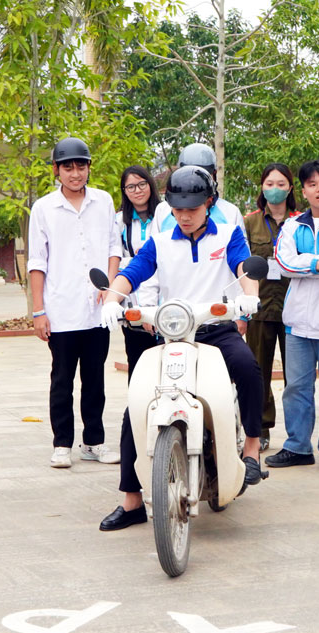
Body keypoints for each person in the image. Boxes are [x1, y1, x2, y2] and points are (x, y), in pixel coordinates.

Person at [96, 166, 266, 531]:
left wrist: (250, 298)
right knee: (136, 409)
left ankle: (251, 447)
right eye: (178, 208)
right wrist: (113, 299)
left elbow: (244, 268)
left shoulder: (229, 234)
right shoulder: (158, 240)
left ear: (209, 202)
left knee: (248, 367)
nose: (185, 215)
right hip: (172, 334)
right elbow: (134, 271)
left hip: (216, 330)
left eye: (193, 207)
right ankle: (132, 501)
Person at [27, 137, 122, 468]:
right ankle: (62, 443)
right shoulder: (44, 209)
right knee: (62, 379)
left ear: (88, 168)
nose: (75, 173)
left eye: (80, 166)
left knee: (95, 380)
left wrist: (109, 287)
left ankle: (94, 442)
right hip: (62, 308)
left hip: (97, 312)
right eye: (68, 166)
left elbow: (114, 248)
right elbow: (37, 263)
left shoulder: (104, 201)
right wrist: (38, 312)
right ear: (56, 170)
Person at [265, 159, 319, 473]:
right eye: (313, 184)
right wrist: (318, 265)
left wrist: (308, 264)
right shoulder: (291, 226)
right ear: (303, 191)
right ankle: (297, 446)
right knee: (296, 388)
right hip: (298, 323)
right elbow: (285, 264)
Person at [243, 163, 298, 451]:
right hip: (260, 310)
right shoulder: (249, 222)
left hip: (295, 311)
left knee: (296, 377)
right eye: (269, 184)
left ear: (290, 188)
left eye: (280, 184)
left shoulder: (302, 221)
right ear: (261, 187)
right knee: (258, 373)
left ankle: (297, 435)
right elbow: (239, 270)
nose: (274, 189)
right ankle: (260, 430)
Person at [116, 166, 163, 375]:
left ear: (150, 184)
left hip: (165, 302)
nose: (137, 190)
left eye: (142, 184)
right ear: (124, 191)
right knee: (138, 364)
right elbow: (115, 260)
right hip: (133, 304)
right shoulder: (119, 221)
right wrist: (134, 261)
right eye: (131, 186)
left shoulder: (167, 215)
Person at [152, 143, 246, 235]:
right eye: (188, 175)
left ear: (214, 174)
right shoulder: (163, 210)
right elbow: (154, 245)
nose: (195, 182)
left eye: (203, 176)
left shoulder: (231, 213)